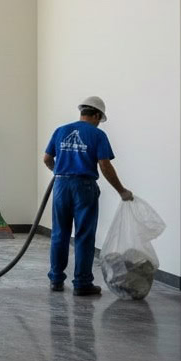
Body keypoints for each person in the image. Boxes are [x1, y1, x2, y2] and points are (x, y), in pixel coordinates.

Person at [43, 95, 133, 296]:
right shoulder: (97, 135)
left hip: (61, 185)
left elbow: (47, 159)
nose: (99, 124)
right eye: (99, 120)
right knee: (84, 236)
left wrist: (61, 173)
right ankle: (82, 283)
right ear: (96, 115)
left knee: (59, 234)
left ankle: (56, 280)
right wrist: (122, 191)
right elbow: (104, 165)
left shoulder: (60, 131)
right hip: (84, 187)